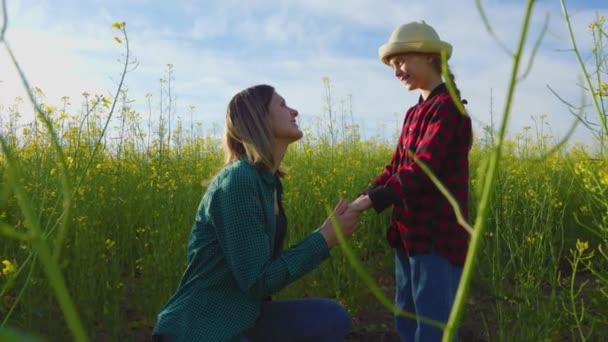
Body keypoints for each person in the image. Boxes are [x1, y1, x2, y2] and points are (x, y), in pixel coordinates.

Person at [152, 84, 357, 342]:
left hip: (245, 315)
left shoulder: (268, 182)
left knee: (331, 318)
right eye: (282, 105)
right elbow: (260, 281)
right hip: (200, 326)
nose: (294, 110)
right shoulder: (238, 181)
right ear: (259, 118)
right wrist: (325, 238)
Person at [348, 21, 472, 341]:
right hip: (407, 233)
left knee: (433, 323)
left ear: (429, 57)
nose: (397, 71)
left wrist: (371, 201)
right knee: (406, 313)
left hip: (436, 237)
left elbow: (423, 171)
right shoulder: (414, 113)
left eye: (402, 61)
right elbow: (395, 168)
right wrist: (364, 195)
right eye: (393, 64)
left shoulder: (450, 109)